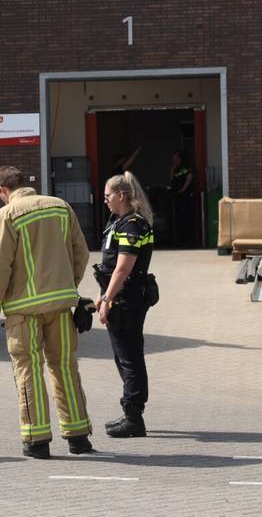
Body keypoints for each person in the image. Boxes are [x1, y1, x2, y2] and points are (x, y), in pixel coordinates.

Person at [0, 166, 94, 459]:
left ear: (2, 191)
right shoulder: (60, 207)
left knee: (28, 370)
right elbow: (81, 252)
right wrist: (68, 285)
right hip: (60, 305)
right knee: (65, 368)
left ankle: (37, 440)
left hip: (24, 310)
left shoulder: (8, 215)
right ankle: (78, 437)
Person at [97, 170, 156, 438]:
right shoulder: (121, 222)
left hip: (127, 299)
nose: (105, 200)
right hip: (121, 295)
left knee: (129, 357)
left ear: (121, 195)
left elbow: (122, 268)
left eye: (108, 195)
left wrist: (107, 298)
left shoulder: (132, 224)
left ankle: (134, 417)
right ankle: (131, 412)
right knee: (124, 356)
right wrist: (103, 293)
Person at [168, 150, 196, 248]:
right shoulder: (175, 169)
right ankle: (179, 241)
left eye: (176, 158)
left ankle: (189, 242)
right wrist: (172, 170)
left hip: (186, 197)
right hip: (177, 197)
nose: (174, 160)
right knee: (178, 219)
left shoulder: (187, 168)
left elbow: (189, 178)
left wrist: (183, 189)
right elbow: (171, 180)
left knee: (187, 219)